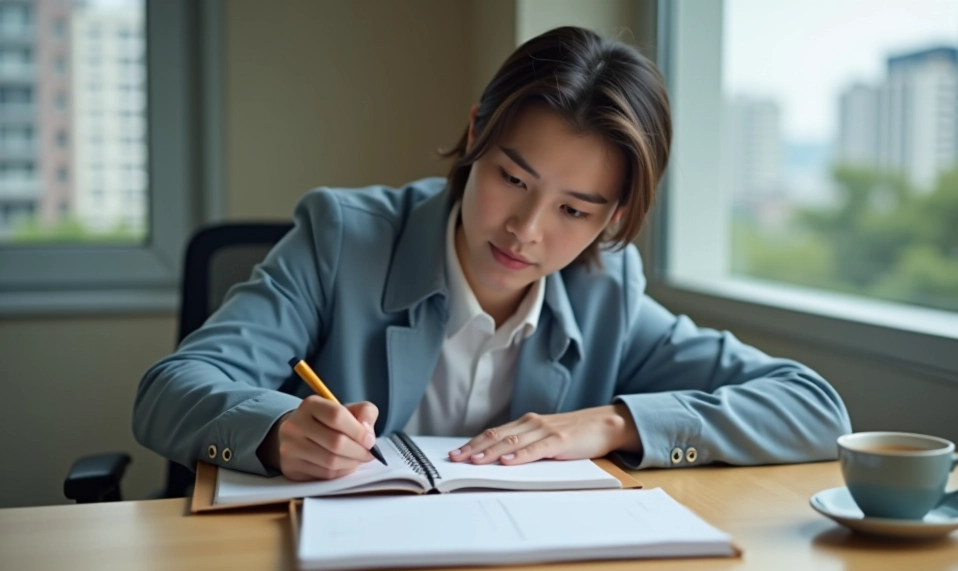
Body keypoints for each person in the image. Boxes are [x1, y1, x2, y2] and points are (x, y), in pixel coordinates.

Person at [133, 26, 851, 482]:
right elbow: (168, 391)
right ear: (476, 132)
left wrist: (614, 423)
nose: (527, 230)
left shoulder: (607, 291)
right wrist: (272, 433)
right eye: (513, 179)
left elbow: (817, 409)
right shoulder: (342, 237)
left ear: (618, 214)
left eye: (575, 209)